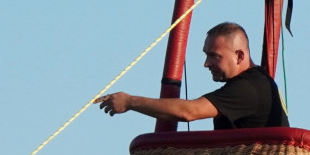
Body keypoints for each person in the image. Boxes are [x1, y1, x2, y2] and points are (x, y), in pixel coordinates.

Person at [95, 22, 289, 129]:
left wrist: (130, 102)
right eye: (206, 55)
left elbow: (189, 112)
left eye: (214, 56)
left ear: (239, 56)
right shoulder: (254, 82)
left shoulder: (248, 88)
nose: (206, 63)